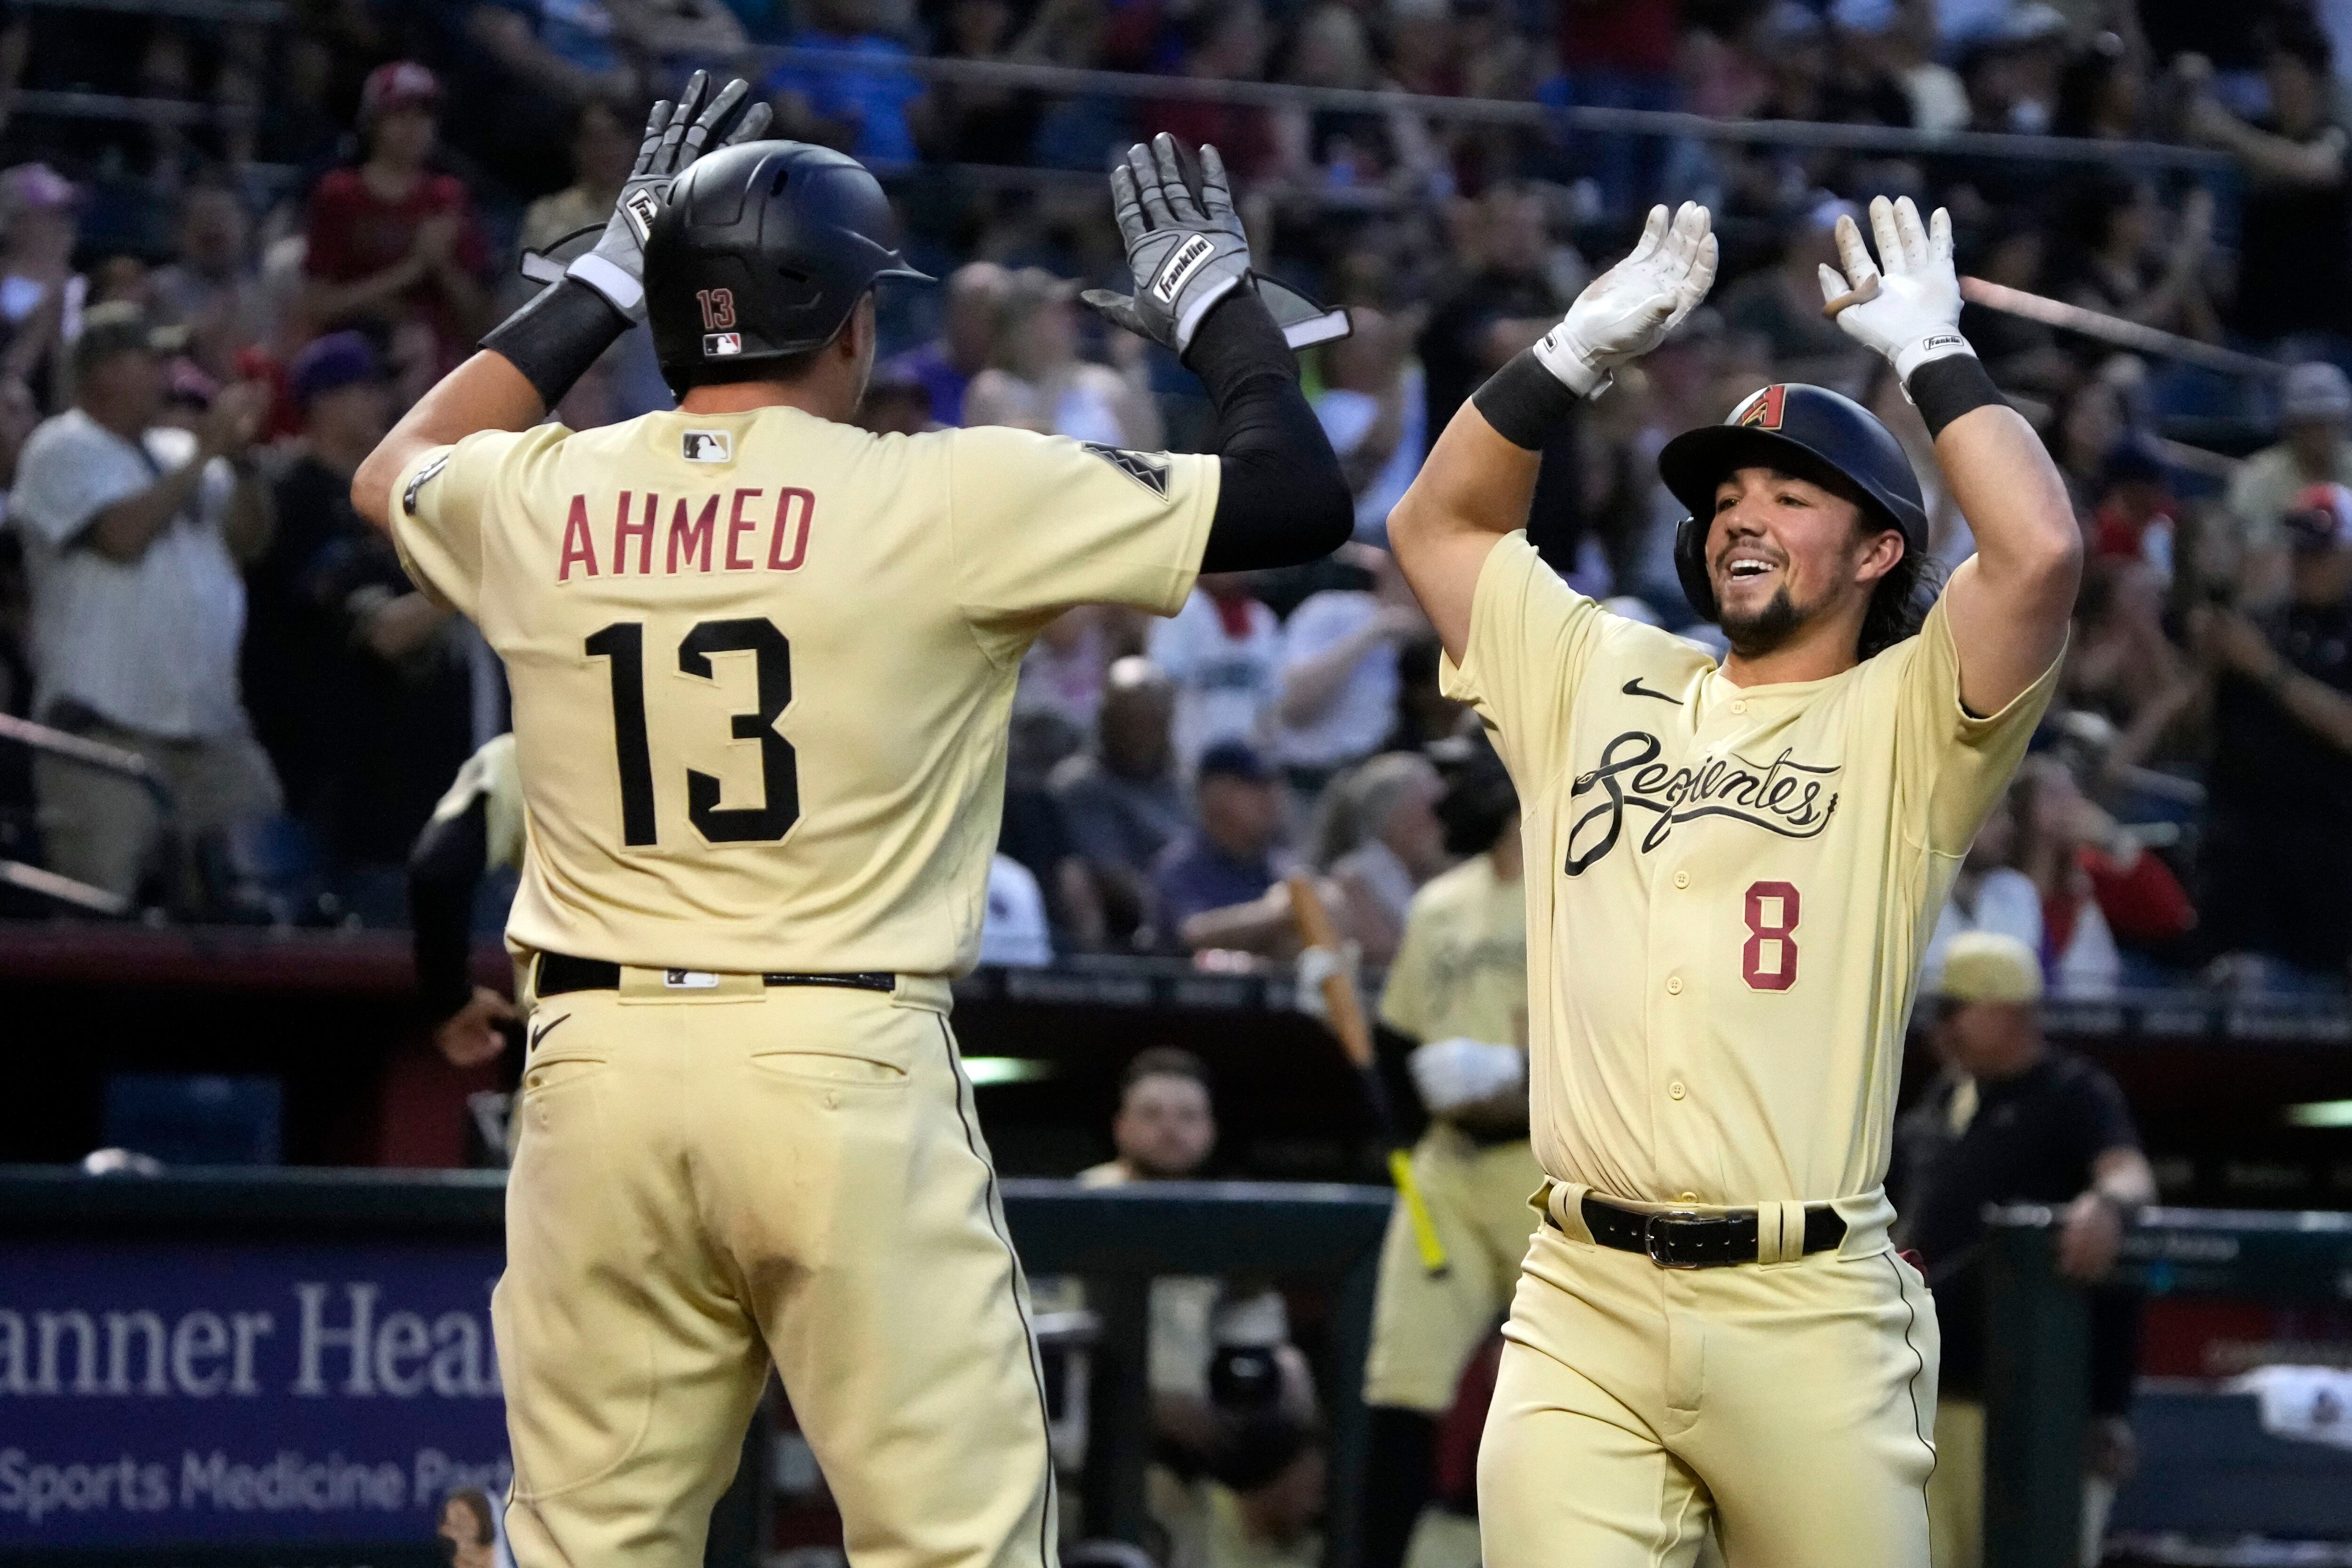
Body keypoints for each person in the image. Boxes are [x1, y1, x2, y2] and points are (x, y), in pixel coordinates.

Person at [350, 95, 1349, 1568]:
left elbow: (392, 468)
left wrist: (603, 281)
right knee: (955, 1548)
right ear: (839, 326)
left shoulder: (542, 493)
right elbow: (1295, 497)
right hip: (834, 1066)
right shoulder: (941, 491)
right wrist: (1216, 314)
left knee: (584, 1549)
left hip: (595, 1078)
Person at [1386, 192, 2081, 1566]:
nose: (1739, 514)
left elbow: (2041, 554)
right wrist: (1569, 353)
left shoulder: (1910, 715)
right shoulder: (1595, 671)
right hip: (1577, 1291)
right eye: (1723, 496)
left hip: (1804, 1306)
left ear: (1879, 549)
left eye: (1787, 494)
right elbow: (1439, 532)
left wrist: (1933, 354)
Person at [1892, 932, 2155, 1568]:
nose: (1940, 1029)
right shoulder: (1941, 1102)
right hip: (1922, 1394)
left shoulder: (2071, 1092)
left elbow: (2129, 1173)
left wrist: (2107, 1205)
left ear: (2010, 1009)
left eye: (1955, 1011)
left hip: (2030, 1403)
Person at [8, 303, 278, 906]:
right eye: (149, 360)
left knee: (256, 909)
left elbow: (249, 542)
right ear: (101, 373)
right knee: (100, 912)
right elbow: (121, 538)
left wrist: (242, 458)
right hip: (105, 736)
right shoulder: (61, 445)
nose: (167, 372)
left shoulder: (176, 446)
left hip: (209, 731)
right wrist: (208, 452)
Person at [1356, 736, 1538, 1568]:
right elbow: (1397, 1035)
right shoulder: (1439, 903)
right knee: (1404, 1387)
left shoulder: (1582, 891)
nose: (1451, 793)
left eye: (1468, 773)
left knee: (1571, 1391)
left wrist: (1523, 1072)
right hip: (1447, 1165)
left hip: (1549, 1167)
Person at [2196, 482, 2352, 984]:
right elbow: (2196, 729)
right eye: (2300, 549)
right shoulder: (2263, 624)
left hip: (2329, 849)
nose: (2306, 562)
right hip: (2244, 847)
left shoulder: (2264, 646)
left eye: (2321, 551)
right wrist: (2207, 666)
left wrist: (2264, 670)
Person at [302, 63, 491, 375]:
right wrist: (411, 271)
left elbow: (481, 322)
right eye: (400, 115)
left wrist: (443, 267)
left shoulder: (449, 198)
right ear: (373, 122)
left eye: (424, 116)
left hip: (437, 359)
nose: (413, 128)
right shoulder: (340, 193)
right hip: (353, 351)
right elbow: (318, 307)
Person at [1052, 656, 1192, 945]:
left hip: (1197, 916)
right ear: (1106, 719)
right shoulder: (1081, 784)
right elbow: (1111, 875)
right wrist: (1181, 914)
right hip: (1133, 934)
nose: (1141, 733)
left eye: (1152, 720)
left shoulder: (1184, 785)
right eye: (1131, 720)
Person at [1269, 544, 1429, 794]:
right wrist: (1377, 631)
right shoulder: (1332, 610)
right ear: (1390, 566)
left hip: (1378, 783)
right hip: (1310, 780)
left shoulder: (1431, 639)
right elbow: (1293, 706)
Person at [2223, 362, 2352, 603]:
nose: (2319, 435)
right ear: (2291, 427)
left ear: (2343, 422)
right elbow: (2253, 561)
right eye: (2309, 424)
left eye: (2328, 422)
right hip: (2283, 600)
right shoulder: (2257, 476)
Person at [1156, 740, 1291, 950]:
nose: (1270, 797)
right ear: (1212, 794)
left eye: (1272, 786)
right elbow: (1192, 932)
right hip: (1196, 983)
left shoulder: (1278, 866)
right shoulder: (1182, 865)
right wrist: (1277, 913)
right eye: (1253, 786)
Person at [880, 259, 1008, 428]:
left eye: (990, 315)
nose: (977, 325)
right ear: (949, 313)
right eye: (970, 311)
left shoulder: (1018, 385)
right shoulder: (906, 382)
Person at [437, 1487, 502, 1568]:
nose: (455, 1523)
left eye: (462, 1516)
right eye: (449, 1521)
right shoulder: (442, 1561)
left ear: (481, 1521)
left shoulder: (503, 1558)